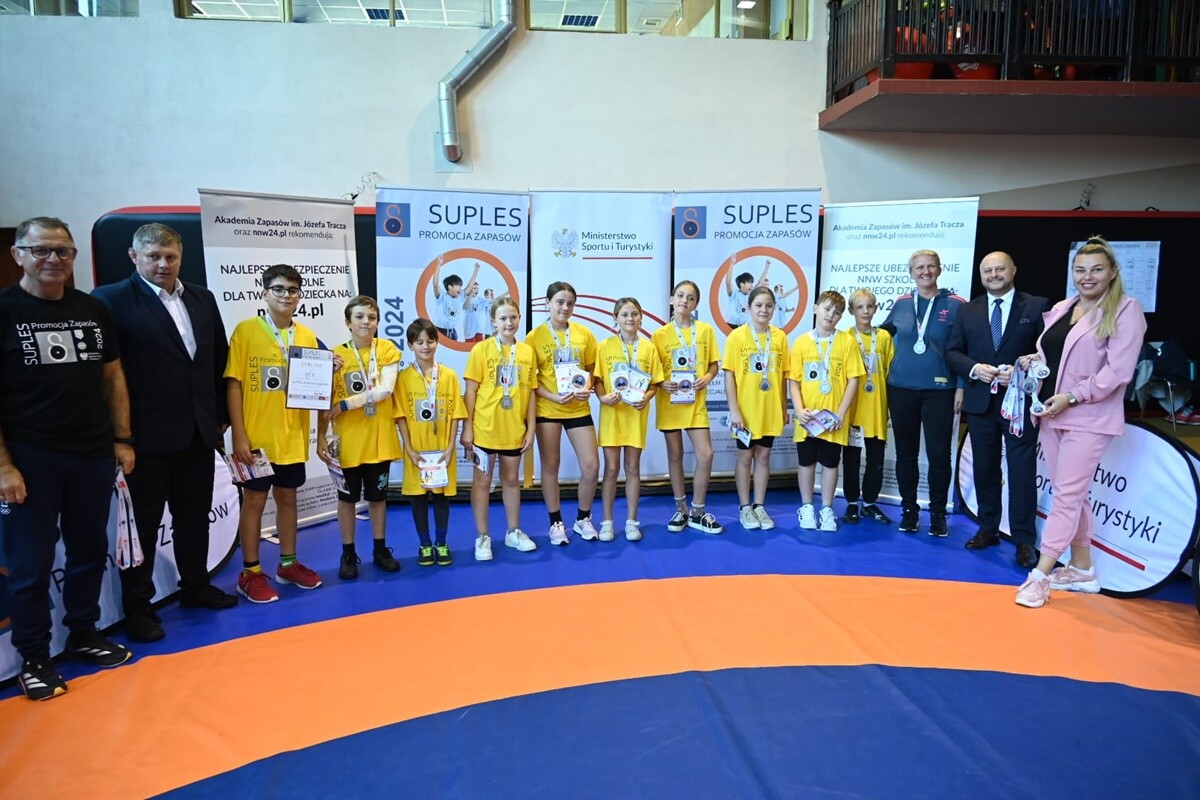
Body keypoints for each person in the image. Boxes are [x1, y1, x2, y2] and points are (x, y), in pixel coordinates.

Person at [1, 217, 135, 700]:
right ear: (18, 254)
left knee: (89, 551)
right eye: (41, 250)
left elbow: (113, 377)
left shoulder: (92, 309)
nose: (53, 259)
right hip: (30, 458)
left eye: (63, 251)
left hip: (92, 453)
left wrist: (122, 439)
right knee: (31, 564)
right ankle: (34, 657)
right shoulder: (4, 311)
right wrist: (3, 466)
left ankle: (83, 632)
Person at [91, 222, 237, 644]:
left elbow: (217, 359)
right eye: (153, 256)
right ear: (134, 256)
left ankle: (195, 587)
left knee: (193, 518)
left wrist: (219, 418)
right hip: (144, 440)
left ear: (180, 257)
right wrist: (119, 437)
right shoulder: (109, 300)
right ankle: (138, 609)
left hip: (197, 433)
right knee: (143, 527)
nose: (163, 264)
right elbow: (107, 375)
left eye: (170, 256)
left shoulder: (202, 298)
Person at [1014, 237, 1146, 609]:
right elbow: (1053, 354)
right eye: (1080, 270)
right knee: (1071, 494)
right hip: (1051, 414)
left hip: (1088, 418)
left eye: (1096, 269)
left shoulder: (1126, 309)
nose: (1087, 277)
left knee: (1066, 498)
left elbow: (1117, 372)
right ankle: (1083, 569)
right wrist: (1032, 360)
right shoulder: (1064, 307)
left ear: (1113, 271)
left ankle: (1040, 576)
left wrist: (1072, 396)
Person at [225, 264, 324, 603]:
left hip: (292, 435)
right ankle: (250, 572)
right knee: (253, 501)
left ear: (299, 296)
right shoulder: (246, 331)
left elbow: (314, 385)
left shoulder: (306, 336)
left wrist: (328, 367)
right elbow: (234, 384)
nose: (286, 296)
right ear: (265, 293)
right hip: (256, 438)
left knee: (288, 498)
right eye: (279, 289)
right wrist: (239, 435)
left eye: (293, 290)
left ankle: (288, 564)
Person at [946, 252, 1049, 569]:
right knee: (985, 468)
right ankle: (988, 528)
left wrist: (1023, 370)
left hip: (1020, 403)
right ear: (981, 275)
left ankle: (1024, 540)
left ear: (1013, 270)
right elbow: (953, 352)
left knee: (1021, 471)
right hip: (981, 402)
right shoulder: (967, 310)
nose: (994, 275)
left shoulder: (1037, 306)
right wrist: (975, 369)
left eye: (1000, 269)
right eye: (987, 270)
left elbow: (1047, 353)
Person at [880, 250, 965, 537]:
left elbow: (964, 348)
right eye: (919, 267)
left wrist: (961, 386)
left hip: (940, 390)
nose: (925, 271)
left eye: (930, 266)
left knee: (939, 455)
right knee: (905, 454)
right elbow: (881, 336)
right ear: (911, 272)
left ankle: (938, 514)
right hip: (901, 389)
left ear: (939, 269)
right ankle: (909, 510)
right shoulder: (902, 304)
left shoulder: (956, 305)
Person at [317, 296, 402, 579]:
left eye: (372, 317)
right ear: (348, 322)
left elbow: (385, 390)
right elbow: (322, 400)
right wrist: (320, 437)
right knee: (347, 500)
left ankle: (380, 549)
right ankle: (348, 553)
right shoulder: (334, 357)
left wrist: (345, 404)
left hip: (379, 440)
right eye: (360, 317)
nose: (366, 322)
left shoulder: (387, 349)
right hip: (347, 442)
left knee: (378, 499)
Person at [462, 295, 538, 560]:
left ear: (519, 319)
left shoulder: (527, 352)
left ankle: (513, 531)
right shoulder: (481, 350)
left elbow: (531, 393)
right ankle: (482, 536)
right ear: (493, 321)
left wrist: (530, 429)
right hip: (484, 428)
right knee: (482, 482)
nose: (509, 323)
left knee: (512, 481)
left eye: (513, 317)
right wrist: (467, 428)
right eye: (503, 318)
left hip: (514, 429)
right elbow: (470, 392)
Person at [529, 281, 600, 545]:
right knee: (551, 465)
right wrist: (553, 397)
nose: (565, 307)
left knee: (591, 466)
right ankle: (556, 523)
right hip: (549, 407)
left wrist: (588, 387)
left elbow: (593, 369)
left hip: (578, 407)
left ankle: (583, 518)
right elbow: (531, 381)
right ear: (547, 303)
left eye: (570, 303)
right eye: (559, 302)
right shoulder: (534, 337)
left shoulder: (584, 334)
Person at [788, 291, 863, 532]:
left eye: (837, 312)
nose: (831, 315)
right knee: (806, 462)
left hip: (833, 419)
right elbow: (794, 380)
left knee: (831, 463)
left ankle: (827, 508)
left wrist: (840, 413)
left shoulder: (847, 342)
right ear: (815, 308)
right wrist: (798, 409)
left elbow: (853, 380)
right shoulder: (801, 342)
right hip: (808, 417)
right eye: (827, 309)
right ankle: (807, 507)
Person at [652, 280, 722, 534]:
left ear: (696, 304)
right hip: (670, 402)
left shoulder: (705, 331)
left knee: (706, 454)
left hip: (695, 403)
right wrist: (662, 383)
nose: (684, 300)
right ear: (672, 299)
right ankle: (681, 509)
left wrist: (708, 377)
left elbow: (713, 364)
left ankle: (698, 511)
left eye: (690, 298)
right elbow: (653, 371)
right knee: (675, 456)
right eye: (680, 295)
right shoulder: (659, 335)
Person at [395, 318, 467, 566]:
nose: (425, 346)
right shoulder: (403, 378)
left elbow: (456, 415)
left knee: (441, 497)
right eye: (419, 342)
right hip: (416, 450)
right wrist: (409, 449)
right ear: (410, 345)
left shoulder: (449, 375)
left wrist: (450, 447)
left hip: (443, 450)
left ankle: (441, 542)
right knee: (417, 498)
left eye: (430, 341)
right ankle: (425, 544)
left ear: (438, 343)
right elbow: (401, 417)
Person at [595, 298, 664, 542]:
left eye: (634, 314)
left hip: (635, 414)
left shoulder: (648, 348)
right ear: (615, 318)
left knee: (633, 468)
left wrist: (646, 397)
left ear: (641, 317)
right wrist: (602, 397)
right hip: (612, 414)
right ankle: (607, 522)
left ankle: (632, 522)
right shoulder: (604, 346)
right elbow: (598, 380)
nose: (630, 318)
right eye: (624, 314)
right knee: (611, 469)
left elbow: (655, 383)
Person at [723, 286, 789, 531]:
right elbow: (729, 375)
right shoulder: (737, 336)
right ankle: (744, 507)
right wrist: (734, 410)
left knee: (763, 456)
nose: (764, 310)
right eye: (759, 305)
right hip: (745, 410)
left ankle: (759, 505)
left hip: (769, 409)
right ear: (748, 307)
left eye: (769, 305)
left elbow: (783, 376)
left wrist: (783, 407)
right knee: (745, 456)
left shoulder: (780, 337)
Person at [840, 289, 895, 526]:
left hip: (877, 410)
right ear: (851, 311)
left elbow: (891, 372)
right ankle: (852, 503)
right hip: (853, 411)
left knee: (876, 460)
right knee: (851, 460)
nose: (865, 311)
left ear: (876, 308)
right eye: (859, 307)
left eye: (869, 307)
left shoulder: (884, 337)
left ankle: (870, 503)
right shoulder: (845, 338)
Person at [431, 257, 479, 341]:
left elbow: (470, 286)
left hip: (452, 332)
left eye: (461, 286)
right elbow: (435, 284)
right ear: (450, 287)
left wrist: (476, 270)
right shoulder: (442, 296)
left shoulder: (460, 297)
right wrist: (438, 265)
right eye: (458, 286)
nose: (460, 288)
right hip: (439, 331)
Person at [722, 256, 770, 328]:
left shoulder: (751, 294)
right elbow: (728, 282)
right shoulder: (734, 293)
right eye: (749, 283)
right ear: (742, 284)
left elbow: (760, 283)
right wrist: (731, 264)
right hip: (731, 325)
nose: (752, 285)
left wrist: (767, 267)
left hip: (744, 326)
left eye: (752, 283)